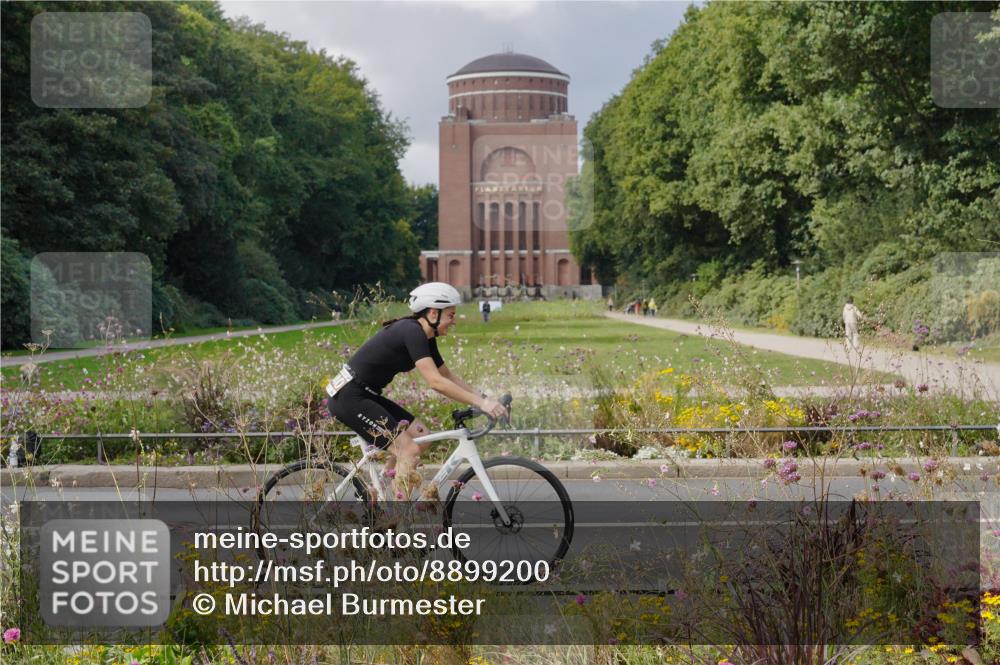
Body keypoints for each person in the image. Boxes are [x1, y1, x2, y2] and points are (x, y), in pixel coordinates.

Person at [326, 282, 507, 498]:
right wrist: (482, 404)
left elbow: (447, 376)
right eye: (450, 315)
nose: (454, 321)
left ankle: (380, 488)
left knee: (423, 436)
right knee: (408, 450)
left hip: (366, 394)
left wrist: (486, 399)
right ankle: (398, 515)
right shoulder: (411, 331)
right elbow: (436, 382)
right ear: (433, 313)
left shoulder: (425, 336)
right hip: (348, 397)